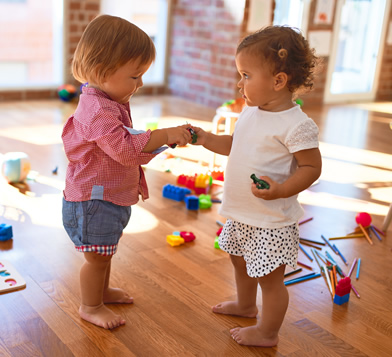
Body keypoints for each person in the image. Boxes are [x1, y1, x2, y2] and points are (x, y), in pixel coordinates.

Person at [191, 26, 322, 347]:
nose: (239, 83)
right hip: (243, 213)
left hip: (272, 221)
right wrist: (207, 139)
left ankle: (268, 332)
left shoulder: (297, 124)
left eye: (246, 75)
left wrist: (281, 189)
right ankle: (246, 305)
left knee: (270, 278)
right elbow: (236, 144)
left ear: (278, 81)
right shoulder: (251, 110)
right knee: (238, 258)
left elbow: (312, 167)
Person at [61, 15, 191, 330]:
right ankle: (90, 305)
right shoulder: (97, 111)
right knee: (97, 257)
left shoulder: (107, 99)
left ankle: (102, 292)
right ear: (101, 72)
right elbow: (126, 150)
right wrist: (164, 132)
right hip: (92, 202)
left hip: (108, 196)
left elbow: (129, 145)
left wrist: (165, 142)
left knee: (104, 252)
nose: (141, 84)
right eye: (135, 76)